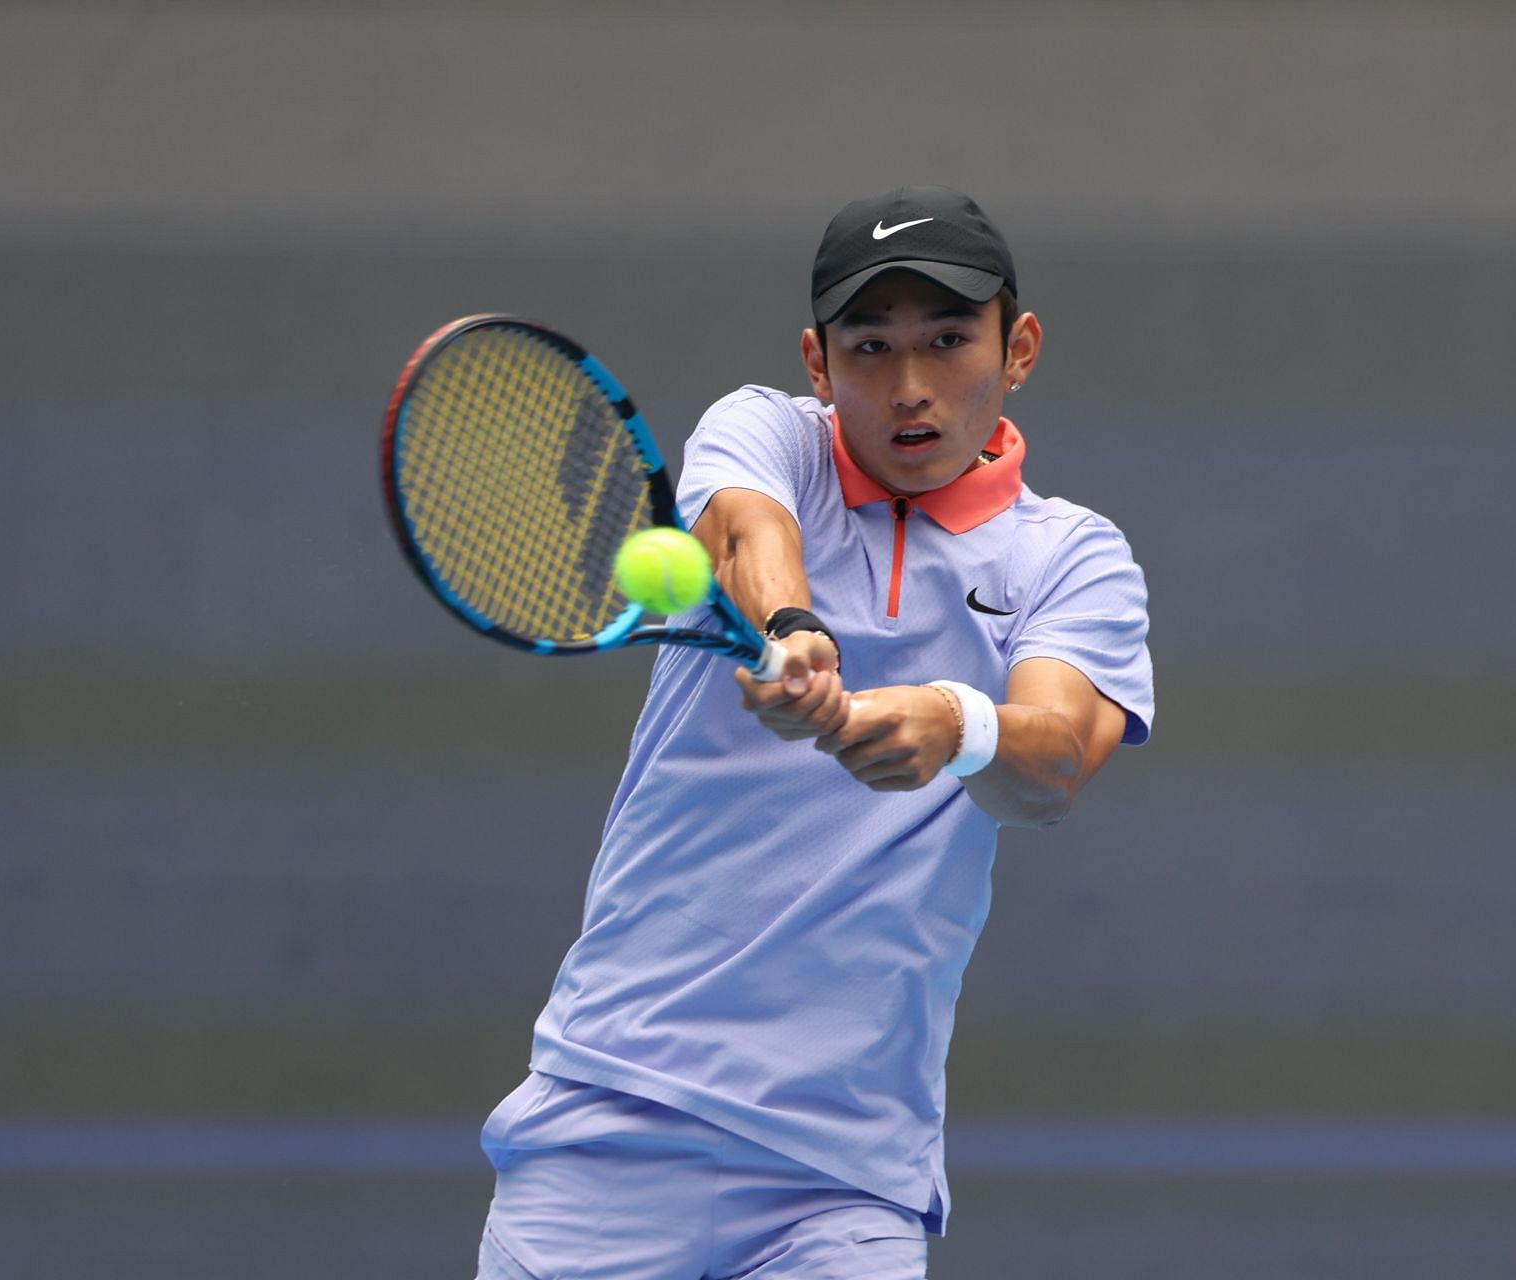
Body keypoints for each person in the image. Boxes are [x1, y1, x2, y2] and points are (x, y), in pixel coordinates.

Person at [475, 186, 1155, 1280]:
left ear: (1017, 346)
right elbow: (748, 529)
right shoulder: (761, 433)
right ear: (818, 361)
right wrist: (791, 628)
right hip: (612, 1112)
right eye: (870, 347)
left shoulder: (1072, 559)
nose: (911, 385)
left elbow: (1053, 761)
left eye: (947, 340)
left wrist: (955, 721)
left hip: (843, 1181)